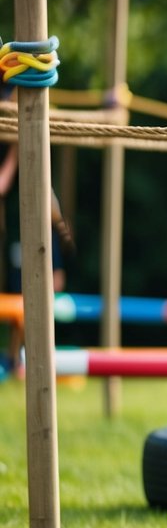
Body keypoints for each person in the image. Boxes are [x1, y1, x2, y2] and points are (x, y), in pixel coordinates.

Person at [0, 141, 71, 380]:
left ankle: (27, 357)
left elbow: (54, 219)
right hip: (22, 236)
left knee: (42, 298)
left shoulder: (41, 184)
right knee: (21, 301)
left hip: (40, 236)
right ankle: (17, 358)